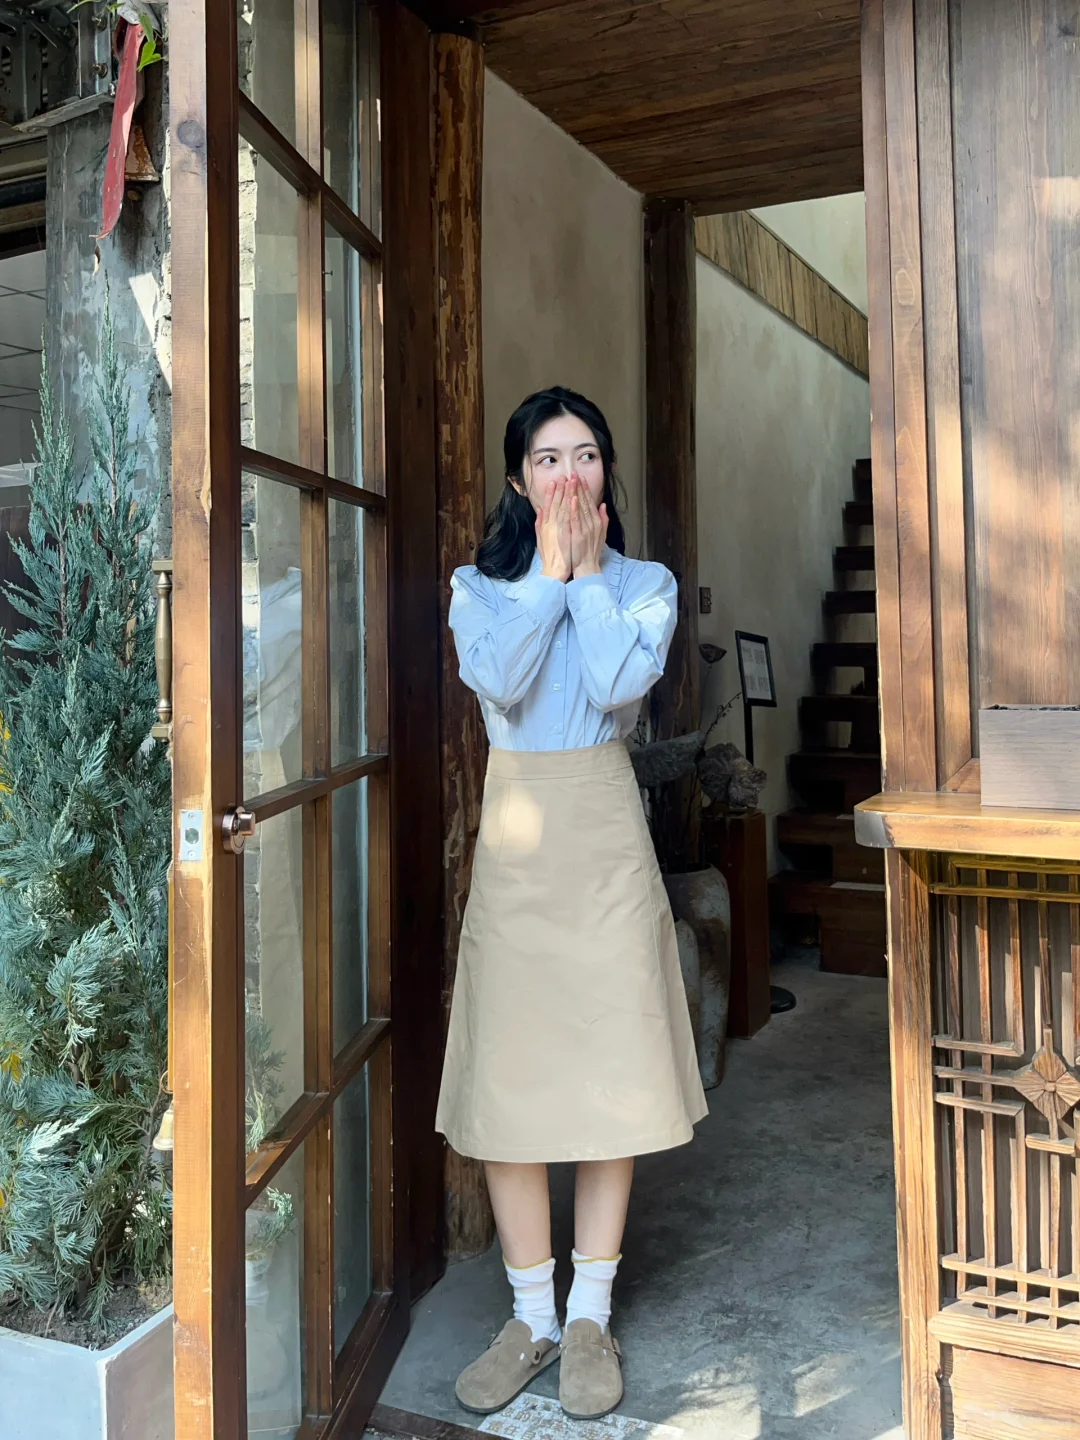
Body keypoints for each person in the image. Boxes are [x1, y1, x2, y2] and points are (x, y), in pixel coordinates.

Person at [436, 386, 707, 1422]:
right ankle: (530, 1318)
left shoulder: (644, 584)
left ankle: (589, 1316)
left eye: (584, 454)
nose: (566, 474)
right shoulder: (477, 587)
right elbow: (500, 681)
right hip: (518, 840)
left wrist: (589, 579)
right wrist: (550, 575)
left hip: (602, 831)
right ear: (518, 480)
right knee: (509, 1084)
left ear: (606, 472)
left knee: (609, 1070)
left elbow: (614, 688)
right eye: (546, 459)